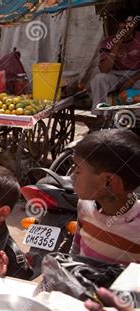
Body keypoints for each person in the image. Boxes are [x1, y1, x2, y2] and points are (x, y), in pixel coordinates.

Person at [70, 129, 140, 264]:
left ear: (108, 181)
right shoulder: (84, 206)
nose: (72, 176)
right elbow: (76, 252)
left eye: (78, 170)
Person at [90, 12, 140, 117]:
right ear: (117, 25)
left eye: (130, 23)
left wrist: (131, 81)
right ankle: (101, 115)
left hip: (136, 75)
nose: (127, 26)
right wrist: (116, 45)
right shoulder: (107, 42)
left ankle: (136, 116)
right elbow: (104, 70)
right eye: (123, 23)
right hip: (115, 75)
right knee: (99, 79)